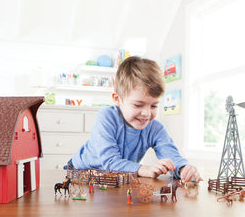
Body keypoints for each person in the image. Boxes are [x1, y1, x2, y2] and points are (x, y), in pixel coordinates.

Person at [68, 56, 200, 182]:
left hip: (116, 177)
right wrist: (146, 170)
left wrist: (183, 169)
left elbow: (171, 154)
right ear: (117, 99)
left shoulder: (156, 128)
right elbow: (110, 162)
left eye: (154, 105)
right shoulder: (107, 117)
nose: (147, 113)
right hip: (81, 171)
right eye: (138, 105)